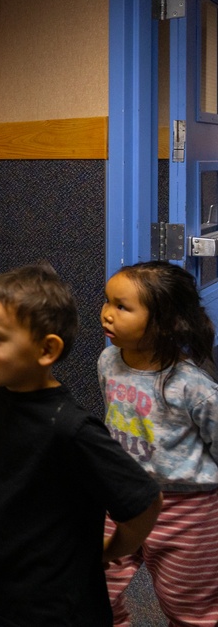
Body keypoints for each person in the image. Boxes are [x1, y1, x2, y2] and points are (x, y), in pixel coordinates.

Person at [0, 263, 162, 626]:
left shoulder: (73, 429)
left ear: (47, 350)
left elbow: (144, 501)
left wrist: (109, 551)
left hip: (52, 609)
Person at [99, 261, 218, 625]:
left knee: (187, 605)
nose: (107, 314)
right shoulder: (107, 361)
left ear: (164, 322)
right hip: (120, 496)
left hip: (186, 510)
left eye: (122, 307)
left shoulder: (193, 386)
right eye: (107, 302)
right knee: (93, 583)